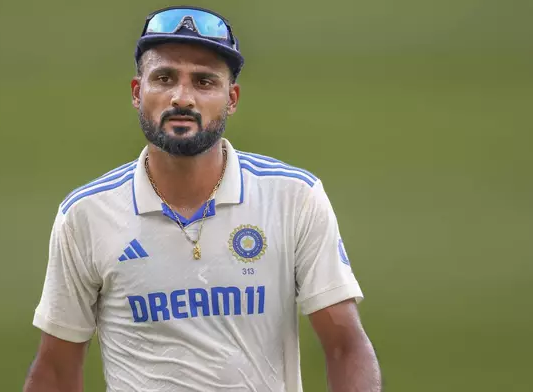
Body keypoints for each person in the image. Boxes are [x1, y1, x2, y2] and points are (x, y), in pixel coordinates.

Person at [24, 5, 381, 392]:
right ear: (136, 92)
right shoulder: (86, 215)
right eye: (164, 78)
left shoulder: (294, 197)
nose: (182, 97)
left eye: (204, 82)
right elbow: (56, 372)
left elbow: (346, 347)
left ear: (232, 98)